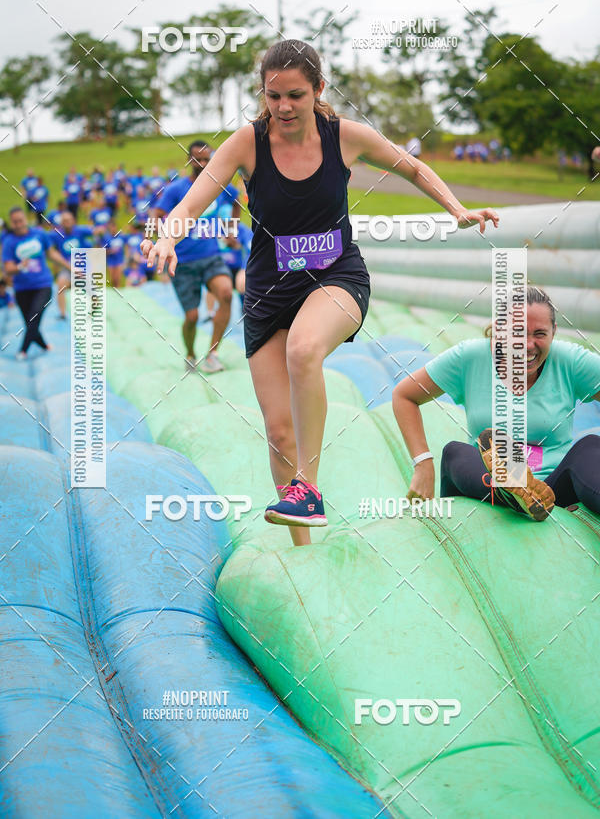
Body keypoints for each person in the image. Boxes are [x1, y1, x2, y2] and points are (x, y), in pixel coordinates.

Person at [143, 39, 499, 546]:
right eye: (272, 96)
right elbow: (193, 202)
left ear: (318, 90)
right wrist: (169, 237)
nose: (283, 107)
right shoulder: (247, 143)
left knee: (305, 348)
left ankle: (308, 487)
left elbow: (412, 166)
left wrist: (455, 208)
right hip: (268, 292)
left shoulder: (346, 137)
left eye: (295, 95)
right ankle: (302, 545)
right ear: (262, 94)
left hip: (338, 278)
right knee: (278, 433)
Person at [392, 286, 600, 520]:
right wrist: (422, 464)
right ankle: (513, 493)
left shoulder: (569, 360)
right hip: (485, 484)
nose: (528, 345)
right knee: (455, 453)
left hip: (551, 492)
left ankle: (526, 494)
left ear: (554, 332)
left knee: (590, 447)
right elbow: (404, 395)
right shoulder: (470, 357)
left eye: (540, 334)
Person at [152, 140, 238, 374]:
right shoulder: (175, 190)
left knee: (227, 294)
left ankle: (213, 353)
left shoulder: (220, 185)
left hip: (211, 255)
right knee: (192, 316)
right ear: (189, 161)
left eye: (206, 159)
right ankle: (190, 354)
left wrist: (230, 230)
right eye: (197, 159)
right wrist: (159, 242)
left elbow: (236, 200)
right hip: (183, 261)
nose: (202, 163)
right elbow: (157, 214)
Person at [1, 207, 63, 358]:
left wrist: (70, 267)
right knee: (30, 322)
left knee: (34, 317)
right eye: (15, 222)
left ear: (25, 219)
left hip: (43, 285)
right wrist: (20, 266)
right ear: (12, 223)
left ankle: (23, 351)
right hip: (22, 288)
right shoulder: (9, 242)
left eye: (20, 220)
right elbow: (8, 268)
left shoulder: (39, 234)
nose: (18, 224)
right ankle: (44, 345)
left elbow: (52, 254)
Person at [49, 210, 96, 319]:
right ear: (61, 223)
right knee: (60, 285)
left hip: (83, 265)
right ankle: (62, 314)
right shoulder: (56, 235)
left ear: (73, 221)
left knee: (92, 291)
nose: (67, 223)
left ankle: (93, 311)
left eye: (69, 220)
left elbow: (95, 231)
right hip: (67, 267)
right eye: (64, 221)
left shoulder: (80, 231)